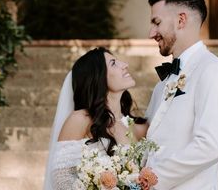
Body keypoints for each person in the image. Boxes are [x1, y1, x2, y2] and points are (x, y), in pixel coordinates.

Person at [144, 0, 218, 190]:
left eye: (156, 23)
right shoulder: (161, 85)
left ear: (181, 20)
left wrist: (151, 180)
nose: (151, 33)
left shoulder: (213, 71)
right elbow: (148, 139)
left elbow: (210, 146)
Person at [43, 47, 148, 190]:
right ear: (98, 77)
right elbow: (62, 178)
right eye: (113, 63)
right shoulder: (81, 119)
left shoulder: (137, 127)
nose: (124, 65)